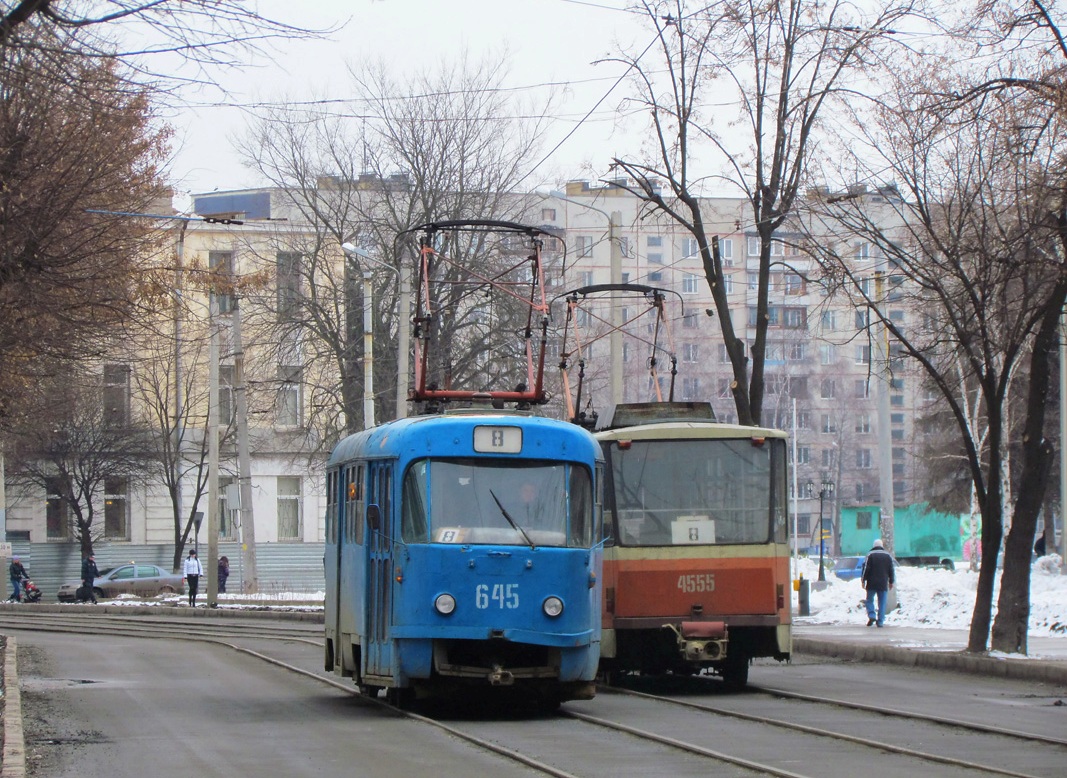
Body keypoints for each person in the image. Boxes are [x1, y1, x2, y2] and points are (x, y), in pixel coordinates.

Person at [861, 538, 895, 628]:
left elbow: (865, 569)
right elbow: (891, 569)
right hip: (883, 583)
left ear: (874, 546)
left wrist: (863, 580)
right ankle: (880, 621)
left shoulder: (870, 555)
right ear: (882, 545)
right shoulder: (887, 556)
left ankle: (872, 615)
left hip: (871, 583)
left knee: (869, 600)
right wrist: (891, 581)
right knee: (882, 602)